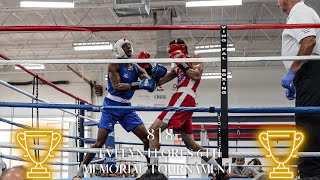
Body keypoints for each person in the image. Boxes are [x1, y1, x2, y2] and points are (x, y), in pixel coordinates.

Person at [73, 38, 167, 178]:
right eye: (125, 46)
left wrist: (152, 71)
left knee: (147, 138)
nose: (129, 47)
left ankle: (151, 172)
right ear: (119, 49)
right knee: (99, 142)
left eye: (129, 45)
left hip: (126, 108)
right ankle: (80, 172)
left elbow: (150, 85)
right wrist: (139, 85)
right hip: (111, 106)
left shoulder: (135, 66)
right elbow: (117, 86)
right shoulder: (114, 64)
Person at [148, 39, 223, 172]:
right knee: (191, 144)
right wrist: (149, 70)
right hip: (183, 100)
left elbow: (196, 75)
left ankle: (152, 172)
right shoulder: (177, 66)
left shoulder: (194, 58)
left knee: (154, 130)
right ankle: (220, 171)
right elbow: (159, 82)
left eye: (172, 52)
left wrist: (182, 62)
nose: (172, 55)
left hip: (184, 97)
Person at [278, 0, 320, 178]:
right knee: (309, 120)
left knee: (307, 121)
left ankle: (311, 173)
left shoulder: (300, 11)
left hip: (310, 71)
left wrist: (293, 72)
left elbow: (309, 42)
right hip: (308, 73)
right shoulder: (299, 12)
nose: (277, 3)